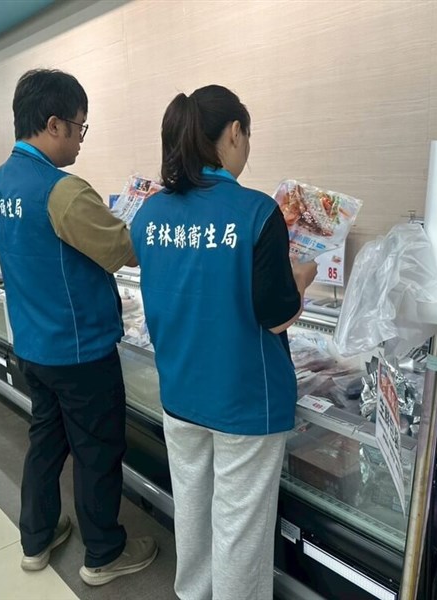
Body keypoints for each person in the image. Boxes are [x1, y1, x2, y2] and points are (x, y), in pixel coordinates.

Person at [130, 85, 318, 600]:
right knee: (239, 528)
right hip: (244, 401)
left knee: (192, 511)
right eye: (247, 134)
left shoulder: (149, 214)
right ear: (234, 133)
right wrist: (303, 276)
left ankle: (193, 594)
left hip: (180, 394)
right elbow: (277, 316)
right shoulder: (257, 213)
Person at [0, 68, 158, 586]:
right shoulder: (62, 191)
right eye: (80, 128)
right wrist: (143, 215)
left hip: (33, 343)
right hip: (80, 350)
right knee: (97, 450)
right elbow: (121, 250)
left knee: (45, 441)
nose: (81, 139)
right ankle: (103, 554)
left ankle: (36, 540)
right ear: (54, 124)